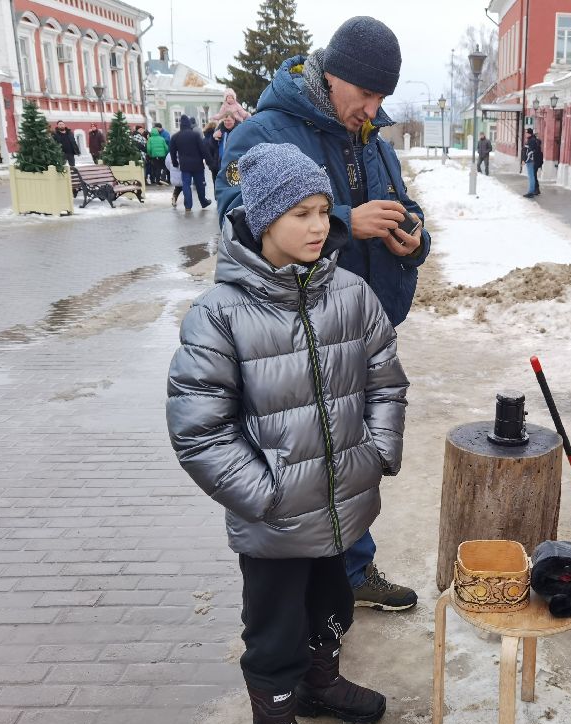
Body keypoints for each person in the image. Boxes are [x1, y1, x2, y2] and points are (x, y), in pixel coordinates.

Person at [167, 141, 407, 724]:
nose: (318, 226)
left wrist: (379, 452)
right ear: (263, 218)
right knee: (274, 627)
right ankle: (272, 720)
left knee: (331, 603)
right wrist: (264, 494)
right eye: (300, 212)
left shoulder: (351, 296)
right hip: (272, 519)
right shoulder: (220, 315)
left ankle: (320, 682)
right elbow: (199, 429)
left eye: (324, 210)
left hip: (340, 506)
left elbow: (386, 382)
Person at [216, 16, 430, 612]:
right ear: (331, 77)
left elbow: (405, 206)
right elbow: (239, 216)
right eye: (365, 94)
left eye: (383, 97)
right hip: (293, 331)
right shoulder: (266, 133)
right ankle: (300, 598)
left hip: (359, 328)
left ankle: (351, 574)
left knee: (351, 453)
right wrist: (344, 220)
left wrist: (414, 236)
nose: (373, 108)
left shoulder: (372, 139)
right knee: (304, 461)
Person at [170, 114, 212, 210]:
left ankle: (188, 206)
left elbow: (172, 151)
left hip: (184, 165)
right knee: (200, 184)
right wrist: (209, 161)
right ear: (189, 124)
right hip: (197, 165)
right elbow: (203, 149)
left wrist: (175, 162)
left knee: (186, 185)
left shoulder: (175, 137)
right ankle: (203, 202)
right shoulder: (195, 135)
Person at [521, 128, 542, 197]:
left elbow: (529, 152)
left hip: (531, 161)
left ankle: (531, 191)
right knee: (533, 175)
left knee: (531, 176)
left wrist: (525, 160)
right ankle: (535, 190)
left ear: (529, 133)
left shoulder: (531, 141)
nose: (526, 134)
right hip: (533, 160)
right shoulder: (532, 140)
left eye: (527, 133)